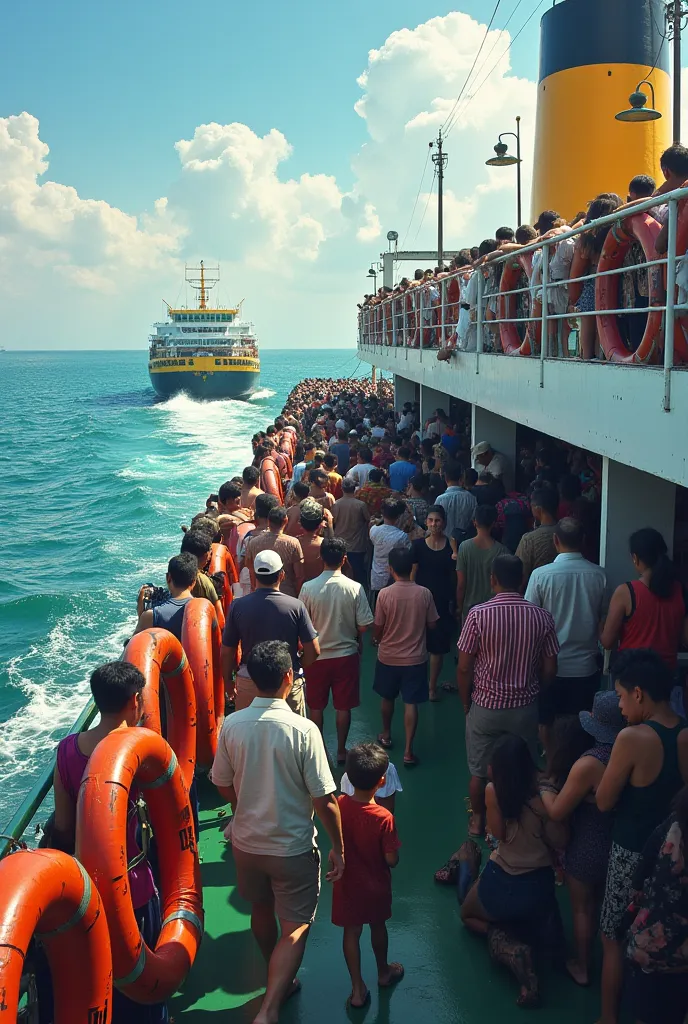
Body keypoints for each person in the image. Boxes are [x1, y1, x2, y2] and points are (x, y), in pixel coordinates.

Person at [211, 641, 344, 1024]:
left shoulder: (232, 725)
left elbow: (221, 783)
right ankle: (269, 1008)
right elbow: (325, 800)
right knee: (296, 924)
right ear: (290, 678)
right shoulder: (303, 730)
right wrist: (339, 848)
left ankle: (275, 974)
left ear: (251, 678)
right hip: (291, 848)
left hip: (247, 844)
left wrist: (244, 804)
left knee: (260, 908)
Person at [51, 662, 167, 1024]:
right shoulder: (141, 749)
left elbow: (65, 825)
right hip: (135, 887)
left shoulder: (67, 751)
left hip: (87, 890)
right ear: (135, 701)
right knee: (143, 973)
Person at [595, 649, 688, 1024]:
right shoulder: (684, 734)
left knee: (613, 938)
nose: (619, 707)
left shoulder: (632, 738)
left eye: (619, 696)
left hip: (631, 853)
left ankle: (608, 1018)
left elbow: (603, 801)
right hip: (671, 858)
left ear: (638, 693)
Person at [460, 735, 567, 1008]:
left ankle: (505, 943)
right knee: (529, 918)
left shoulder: (493, 792)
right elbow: (560, 840)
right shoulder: (545, 795)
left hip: (504, 882)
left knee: (468, 914)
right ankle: (526, 933)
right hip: (540, 887)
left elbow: (498, 834)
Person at [457, 554, 559, 837]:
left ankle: (479, 821)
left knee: (479, 770)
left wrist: (467, 701)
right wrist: (534, 688)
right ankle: (520, 821)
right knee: (524, 768)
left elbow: (464, 666)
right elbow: (551, 668)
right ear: (523, 580)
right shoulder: (542, 617)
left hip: (486, 706)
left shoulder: (477, 615)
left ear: (493, 580)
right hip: (525, 708)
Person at [538, 692, 624, 986]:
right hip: (618, 843)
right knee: (603, 906)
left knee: (582, 909)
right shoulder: (627, 755)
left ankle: (583, 966)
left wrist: (546, 791)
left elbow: (559, 811)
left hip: (587, 844)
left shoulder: (591, 762)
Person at [332, 743, 403, 1009]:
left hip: (346, 884)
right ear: (382, 781)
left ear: (347, 778)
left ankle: (357, 990)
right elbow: (391, 859)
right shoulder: (384, 817)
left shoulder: (339, 804)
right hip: (376, 887)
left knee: (351, 932)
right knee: (378, 927)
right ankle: (383, 973)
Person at [525, 517, 606, 733]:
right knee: (584, 725)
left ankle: (551, 762)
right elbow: (603, 619)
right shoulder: (600, 576)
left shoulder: (540, 576)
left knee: (546, 721)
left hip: (549, 667)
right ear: (583, 540)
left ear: (555, 540)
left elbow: (530, 621)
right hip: (586, 668)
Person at [300, 538, 374, 764]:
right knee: (343, 707)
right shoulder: (354, 588)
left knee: (316, 706)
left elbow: (303, 625)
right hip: (346, 656)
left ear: (321, 557)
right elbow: (363, 625)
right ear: (345, 559)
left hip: (316, 657)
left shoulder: (308, 588)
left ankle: (319, 749)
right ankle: (342, 750)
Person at [221, 549, 320, 714]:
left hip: (249, 681)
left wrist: (228, 682)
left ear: (255, 575)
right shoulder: (296, 607)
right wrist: (297, 665)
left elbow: (227, 651)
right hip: (286, 682)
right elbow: (314, 650)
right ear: (281, 575)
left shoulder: (238, 606)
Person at [622, 786, 688, 1024]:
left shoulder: (674, 825)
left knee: (645, 1011)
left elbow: (647, 857)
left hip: (650, 948)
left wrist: (638, 889)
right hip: (680, 960)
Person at [373, 546, 439, 767]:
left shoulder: (384, 594)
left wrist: (376, 640)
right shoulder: (424, 593)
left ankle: (386, 734)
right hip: (415, 659)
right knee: (411, 702)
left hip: (388, 657)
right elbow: (432, 623)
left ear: (390, 569)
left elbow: (378, 627)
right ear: (412, 567)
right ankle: (409, 751)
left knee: (387, 697)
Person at [601, 527, 688, 675]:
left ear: (635, 558)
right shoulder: (681, 591)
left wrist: (599, 624)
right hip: (666, 676)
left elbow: (607, 642)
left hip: (631, 678)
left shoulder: (626, 592)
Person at [411, 505, 456, 701]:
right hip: (421, 602)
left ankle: (431, 686)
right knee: (418, 644)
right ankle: (417, 683)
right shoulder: (418, 546)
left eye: (437, 520)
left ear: (444, 522)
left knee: (437, 647)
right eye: (430, 520)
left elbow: (456, 575)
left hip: (442, 602)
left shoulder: (452, 545)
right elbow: (412, 575)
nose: (433, 524)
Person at [455, 505, 508, 621]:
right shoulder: (502, 550)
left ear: (475, 522)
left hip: (470, 609)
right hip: (494, 610)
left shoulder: (464, 547)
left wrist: (459, 607)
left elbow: (461, 584)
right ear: (493, 523)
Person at [244, 505, 304, 599]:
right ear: (286, 520)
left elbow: (251, 570)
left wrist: (254, 589)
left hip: (260, 595)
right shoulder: (293, 543)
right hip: (287, 595)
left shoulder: (253, 543)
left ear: (268, 521)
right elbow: (299, 575)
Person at [135, 552, 198, 640]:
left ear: (168, 578)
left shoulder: (151, 616)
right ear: (194, 581)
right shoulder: (203, 611)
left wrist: (141, 617)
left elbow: (133, 650)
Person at [515, 487, 558, 587]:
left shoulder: (529, 539)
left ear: (538, 509)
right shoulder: (565, 533)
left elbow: (520, 574)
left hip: (535, 591)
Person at [369, 498, 410, 602]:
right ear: (398, 516)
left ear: (383, 513)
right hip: (393, 577)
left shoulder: (373, 530)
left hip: (376, 576)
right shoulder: (402, 536)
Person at [332, 479, 370, 588]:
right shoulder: (361, 505)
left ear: (342, 489)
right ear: (354, 489)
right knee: (358, 574)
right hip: (357, 546)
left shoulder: (337, 504)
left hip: (340, 544)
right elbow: (368, 519)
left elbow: (333, 521)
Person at [434, 460, 477, 543]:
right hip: (466, 543)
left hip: (445, 544)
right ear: (462, 477)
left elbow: (435, 524)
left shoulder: (440, 499)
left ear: (445, 477)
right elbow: (474, 522)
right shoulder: (471, 498)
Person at [298, 498, 330, 586]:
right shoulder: (324, 544)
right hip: (320, 588)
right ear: (320, 524)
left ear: (300, 523)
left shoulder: (294, 543)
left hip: (299, 590)